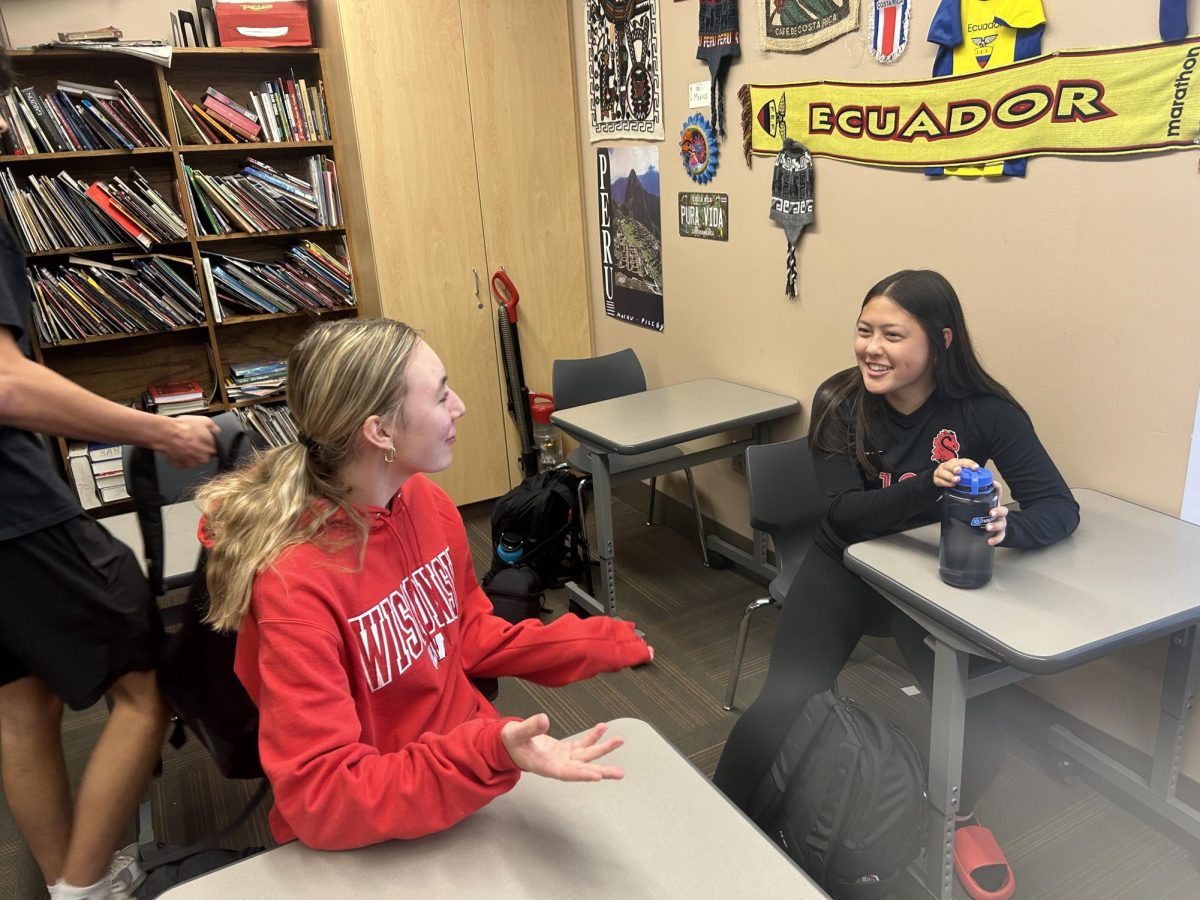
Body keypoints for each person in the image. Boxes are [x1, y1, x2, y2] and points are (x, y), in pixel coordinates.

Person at [197, 318, 653, 850]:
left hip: (462, 781)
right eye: (439, 396)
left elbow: (466, 633)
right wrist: (488, 753)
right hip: (377, 823)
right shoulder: (296, 584)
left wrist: (597, 639)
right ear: (381, 432)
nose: (458, 405)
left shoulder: (427, 503)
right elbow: (322, 797)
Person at [713, 269, 1078, 900]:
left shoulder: (985, 412)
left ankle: (956, 815)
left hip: (929, 578)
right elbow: (843, 514)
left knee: (982, 719)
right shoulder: (840, 401)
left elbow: (1057, 506)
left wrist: (1004, 526)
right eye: (864, 331)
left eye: (891, 334)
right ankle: (717, 813)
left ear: (940, 342)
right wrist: (930, 490)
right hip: (846, 566)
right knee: (785, 700)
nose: (871, 348)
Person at [0, 50, 219, 900]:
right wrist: (154, 432)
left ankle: (64, 880)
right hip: (14, 509)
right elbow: (8, 384)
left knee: (25, 705)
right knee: (145, 686)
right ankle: (90, 885)